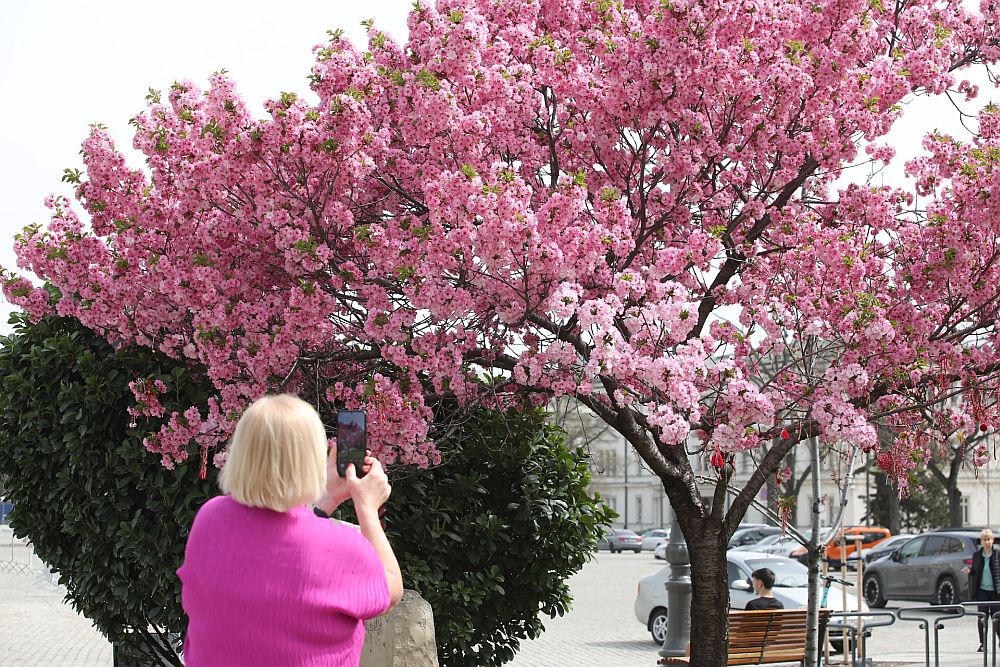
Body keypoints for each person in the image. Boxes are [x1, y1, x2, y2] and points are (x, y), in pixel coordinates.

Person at [178, 394, 403, 666]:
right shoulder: (340, 547)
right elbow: (390, 590)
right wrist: (366, 507)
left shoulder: (210, 520)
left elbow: (278, 549)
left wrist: (327, 501)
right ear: (311, 460)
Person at [964, 528, 1000, 652]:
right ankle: (983, 643)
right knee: (982, 617)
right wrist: (970, 571)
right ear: (981, 541)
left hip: (996, 592)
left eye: (989, 539)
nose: (987, 542)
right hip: (982, 591)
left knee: (998, 617)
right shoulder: (977, 555)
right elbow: (975, 571)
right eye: (984, 540)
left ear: (992, 540)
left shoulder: (997, 554)